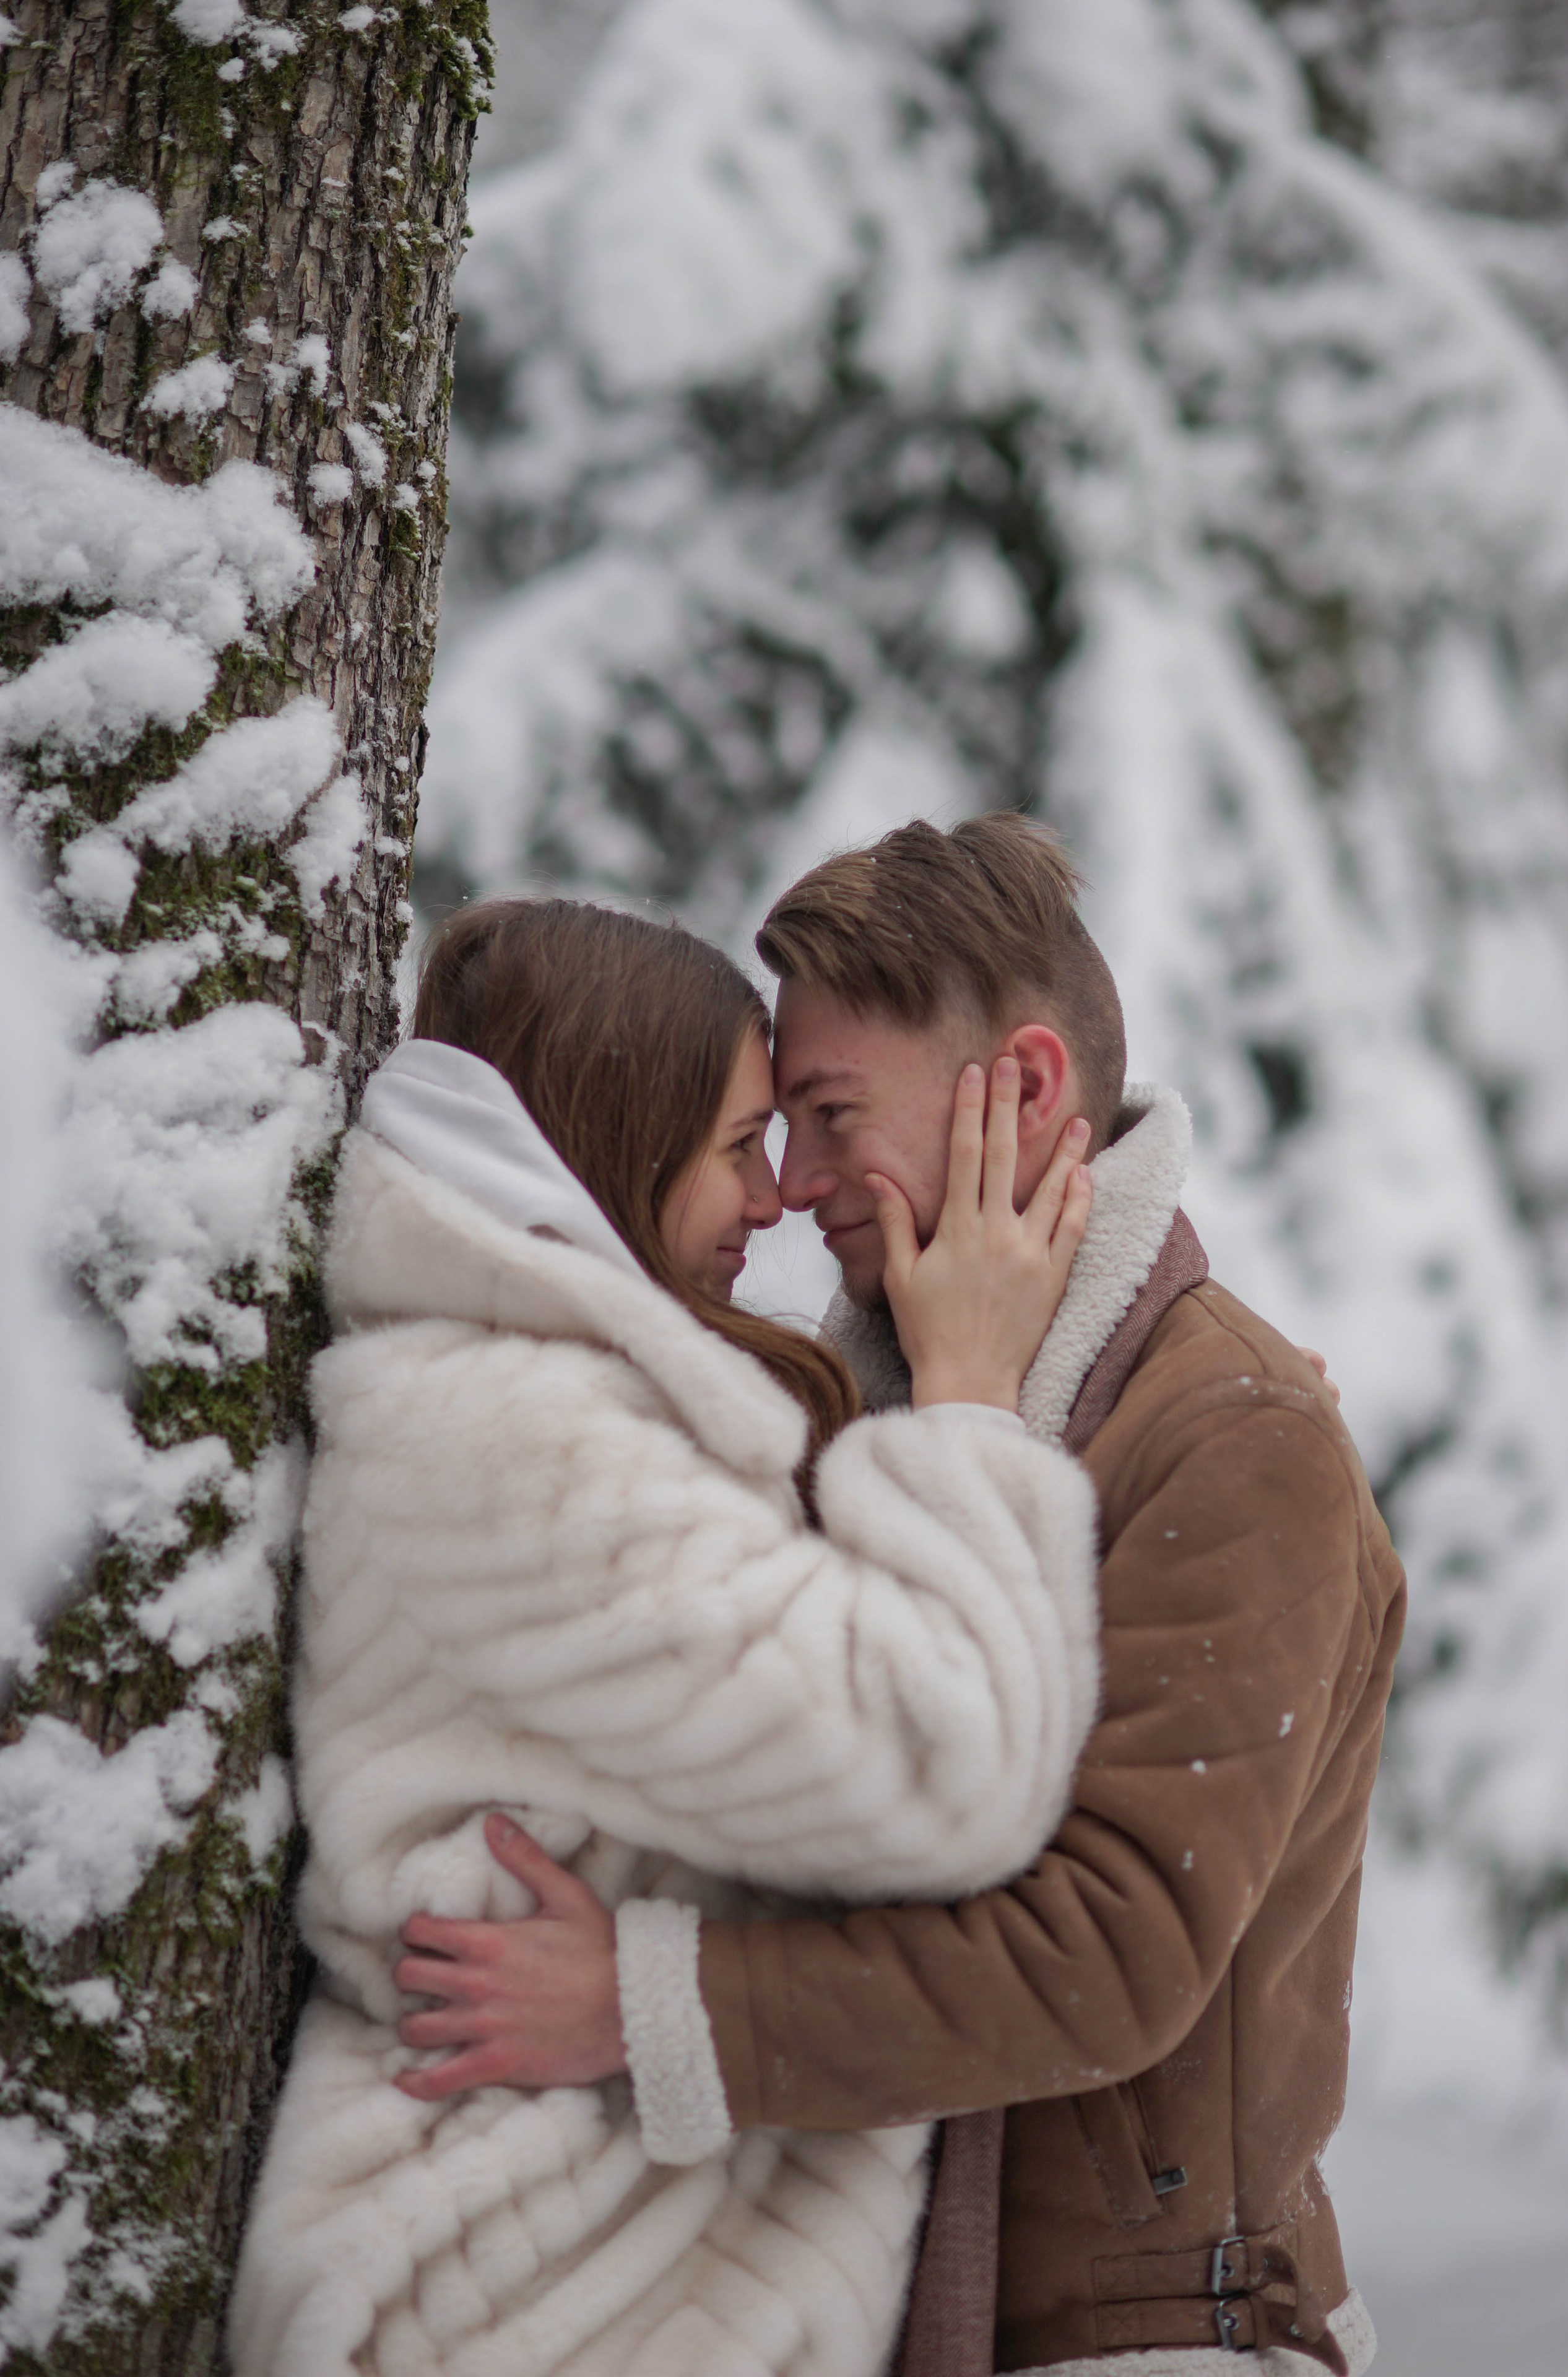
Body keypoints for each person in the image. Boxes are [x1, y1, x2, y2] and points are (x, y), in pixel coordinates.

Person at [399, 817, 1406, 2377]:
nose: (793, 1187)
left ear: (1022, 1090)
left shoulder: (1227, 1436)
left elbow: (1108, 1953)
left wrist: (650, 2009)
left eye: (826, 1114)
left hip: (1142, 2337)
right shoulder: (904, 1388)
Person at [230, 895, 1104, 2377]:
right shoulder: (520, 1444)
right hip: (534, 2292)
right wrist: (964, 1399)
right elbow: (947, 1759)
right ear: (602, 1144)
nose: (771, 1202)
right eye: (734, 1147)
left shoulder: (536, 1398)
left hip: (575, 2276)